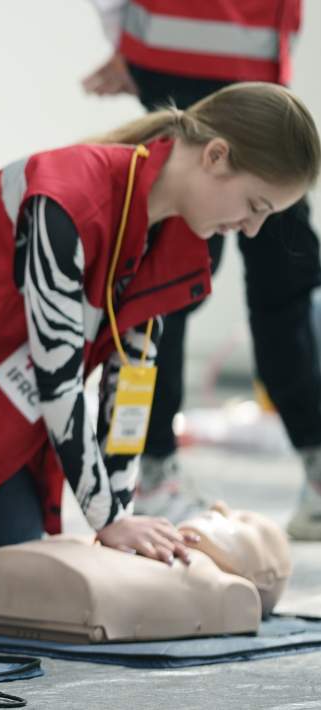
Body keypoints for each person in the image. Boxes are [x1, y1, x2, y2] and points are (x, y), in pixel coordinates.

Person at [0, 82, 319, 590]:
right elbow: (59, 377)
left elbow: (131, 386)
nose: (252, 229)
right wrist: (108, 519)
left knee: (7, 586)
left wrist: (120, 517)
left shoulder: (175, 242)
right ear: (215, 156)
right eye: (255, 205)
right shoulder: (66, 194)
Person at [82, 0, 321, 539]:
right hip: (180, 71)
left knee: (286, 278)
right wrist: (126, 42)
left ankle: (313, 458)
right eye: (252, 213)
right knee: (166, 287)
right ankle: (152, 467)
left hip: (256, 79)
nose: (250, 225)